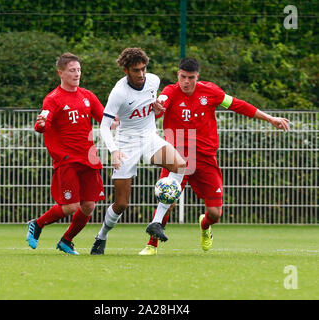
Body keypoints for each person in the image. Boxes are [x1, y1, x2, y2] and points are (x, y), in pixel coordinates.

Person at [139, 57, 290, 255]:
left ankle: (204, 225)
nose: (186, 82)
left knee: (214, 213)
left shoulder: (210, 91)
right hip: (175, 159)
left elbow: (238, 104)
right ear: (178, 75)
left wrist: (270, 118)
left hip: (205, 159)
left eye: (190, 78)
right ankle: (152, 245)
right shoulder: (170, 92)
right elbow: (159, 106)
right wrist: (156, 107)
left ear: (197, 77)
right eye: (183, 77)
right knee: (167, 200)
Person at [90, 48, 186, 255]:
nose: (141, 74)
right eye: (136, 70)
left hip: (149, 137)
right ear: (126, 70)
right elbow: (104, 127)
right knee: (121, 204)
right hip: (126, 144)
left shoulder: (153, 80)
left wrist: (156, 108)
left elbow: (150, 105)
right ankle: (102, 236)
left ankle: (156, 223)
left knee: (180, 165)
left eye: (143, 69)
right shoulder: (119, 92)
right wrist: (114, 151)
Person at [26, 52, 117, 255]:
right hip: (67, 159)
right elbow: (43, 123)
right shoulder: (53, 99)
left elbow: (105, 118)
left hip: (89, 158)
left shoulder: (87, 96)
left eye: (78, 70)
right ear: (61, 73)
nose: (77, 74)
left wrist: (118, 120)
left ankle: (66, 241)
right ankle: (37, 224)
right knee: (70, 206)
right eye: (72, 70)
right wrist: (40, 124)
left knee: (88, 206)